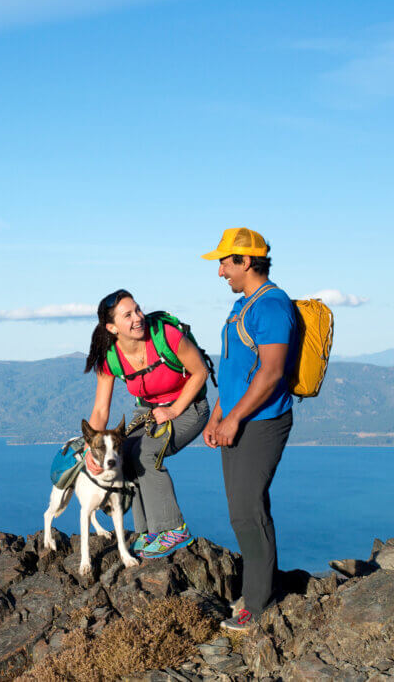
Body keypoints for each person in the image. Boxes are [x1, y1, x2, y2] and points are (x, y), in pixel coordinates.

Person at [201, 227, 296, 632]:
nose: (221, 271)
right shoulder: (243, 306)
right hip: (237, 419)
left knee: (247, 510)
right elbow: (236, 371)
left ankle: (258, 606)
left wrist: (235, 417)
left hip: (262, 422)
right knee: (243, 510)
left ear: (246, 261)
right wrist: (217, 415)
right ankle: (259, 591)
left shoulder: (272, 306)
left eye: (225, 261)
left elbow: (272, 373)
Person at [85, 289, 210, 558]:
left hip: (190, 407)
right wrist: (88, 450)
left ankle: (174, 529)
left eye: (138, 310)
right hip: (149, 411)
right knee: (123, 455)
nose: (138, 317)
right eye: (127, 315)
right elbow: (100, 409)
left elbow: (201, 372)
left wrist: (174, 410)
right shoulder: (110, 358)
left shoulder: (166, 336)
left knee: (145, 451)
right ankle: (148, 531)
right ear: (112, 327)